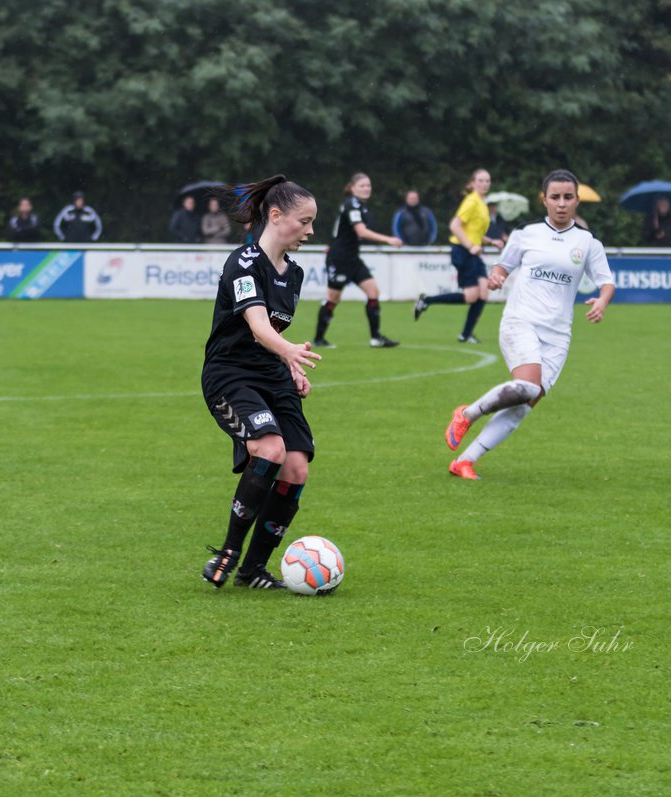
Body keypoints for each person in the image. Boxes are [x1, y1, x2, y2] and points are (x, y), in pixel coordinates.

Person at [443, 169, 616, 480]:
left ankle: (465, 462)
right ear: (544, 200)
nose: (561, 204)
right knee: (527, 386)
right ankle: (467, 413)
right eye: (555, 197)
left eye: (568, 197)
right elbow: (502, 266)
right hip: (521, 320)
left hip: (558, 335)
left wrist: (602, 301)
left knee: (523, 406)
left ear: (576, 200)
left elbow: (606, 283)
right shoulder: (526, 233)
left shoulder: (588, 242)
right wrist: (497, 277)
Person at [200, 175, 321, 590]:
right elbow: (256, 326)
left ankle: (253, 570)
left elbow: (272, 334)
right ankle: (228, 553)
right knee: (269, 449)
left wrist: (290, 365)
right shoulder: (244, 262)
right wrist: (288, 351)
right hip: (229, 374)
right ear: (275, 215)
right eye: (304, 222)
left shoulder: (295, 273)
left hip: (271, 374)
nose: (310, 231)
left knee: (296, 468)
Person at [313, 172, 403, 349]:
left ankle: (376, 338)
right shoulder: (352, 204)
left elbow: (340, 229)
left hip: (353, 258)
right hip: (340, 259)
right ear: (352, 188)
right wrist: (389, 239)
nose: (366, 189)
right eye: (362, 186)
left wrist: (332, 242)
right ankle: (318, 339)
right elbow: (361, 232)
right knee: (333, 298)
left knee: (373, 292)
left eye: (368, 185)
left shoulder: (360, 206)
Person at [413, 168, 494, 343]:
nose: (484, 184)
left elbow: (473, 230)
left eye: (487, 181)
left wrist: (490, 241)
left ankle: (465, 334)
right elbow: (454, 226)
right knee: (471, 297)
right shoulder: (472, 201)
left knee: (484, 294)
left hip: (472, 252)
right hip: (463, 252)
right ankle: (426, 300)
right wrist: (471, 246)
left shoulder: (481, 202)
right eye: (480, 180)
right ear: (472, 183)